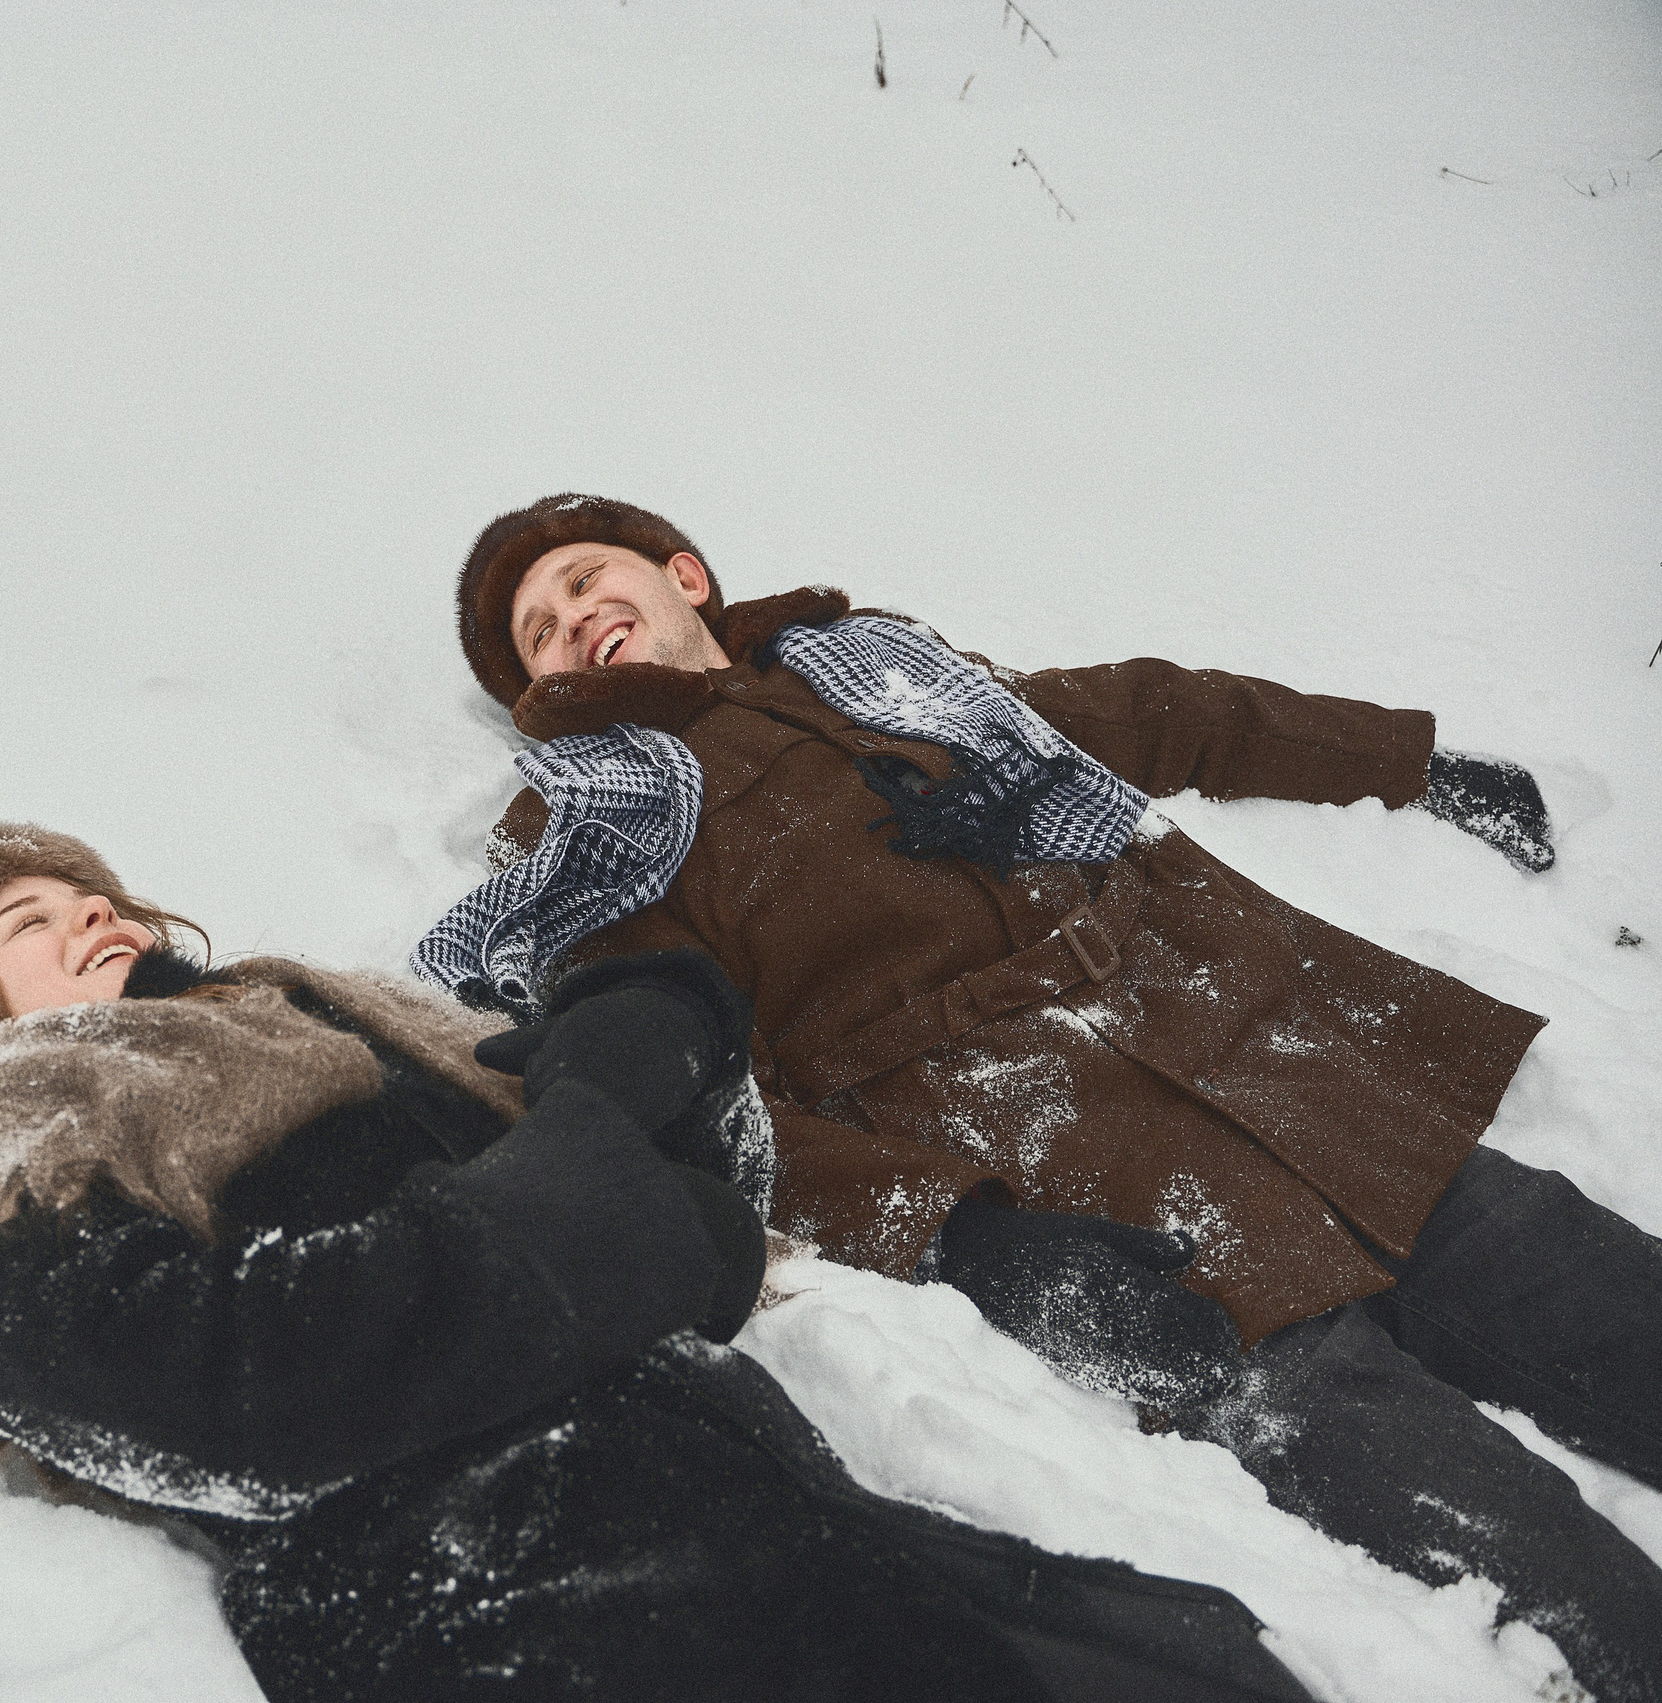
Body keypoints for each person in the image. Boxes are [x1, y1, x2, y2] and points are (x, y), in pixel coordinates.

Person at [422, 491, 1662, 1701]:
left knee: (1602, 1296)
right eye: (537, 634)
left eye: (582, 579)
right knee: (1539, 1564)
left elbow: (1157, 711)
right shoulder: (582, 833)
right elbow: (690, 1084)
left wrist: (1409, 760)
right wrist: (963, 1233)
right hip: (1118, 1209)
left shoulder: (884, 668)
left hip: (1295, 1080)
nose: (571, 620)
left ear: (680, 576)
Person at [0, 821, 1316, 1703]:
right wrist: (566, 1213)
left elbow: (678, 1210)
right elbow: (166, 1380)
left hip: (751, 1508)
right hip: (505, 1598)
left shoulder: (326, 1009)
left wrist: (668, 1053)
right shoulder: (6, 1101)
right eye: (28, 919)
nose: (94, 909)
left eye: (94, 889)